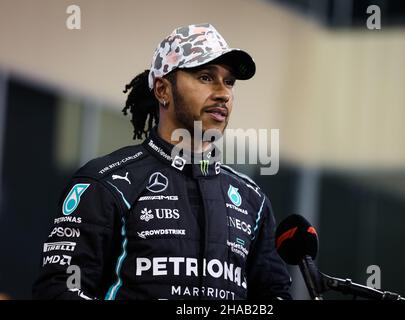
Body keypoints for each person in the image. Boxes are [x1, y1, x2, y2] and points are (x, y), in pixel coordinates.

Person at [32, 23, 292, 300]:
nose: (223, 93)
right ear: (162, 90)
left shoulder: (252, 200)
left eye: (229, 82)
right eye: (205, 77)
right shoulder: (105, 183)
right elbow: (59, 290)